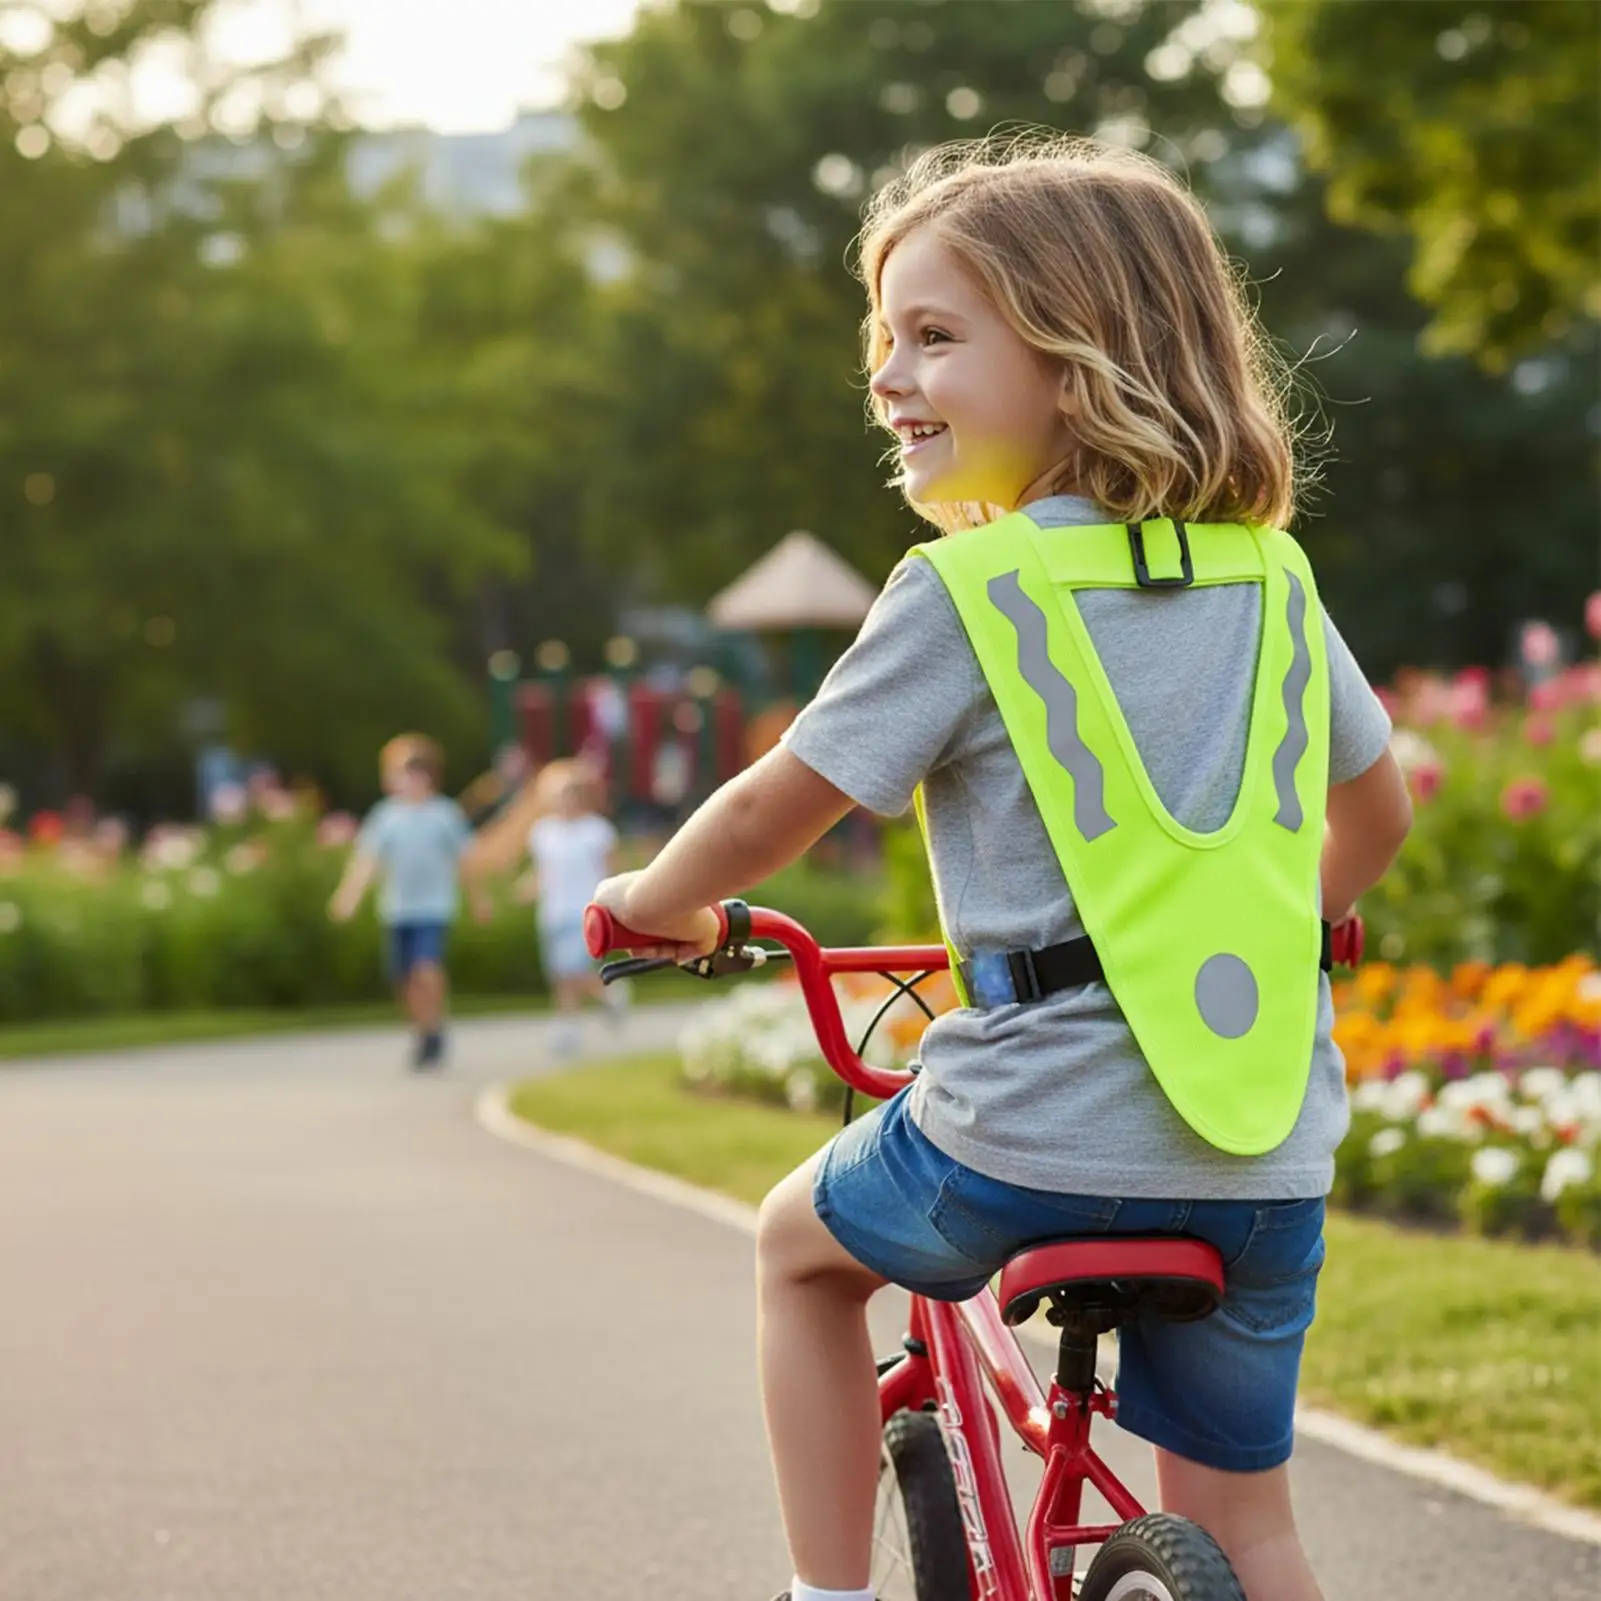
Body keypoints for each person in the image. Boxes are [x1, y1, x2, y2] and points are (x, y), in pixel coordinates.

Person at [588, 136, 1413, 1601]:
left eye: (935, 336)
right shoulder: (1275, 582)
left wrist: (655, 904)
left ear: (1080, 355)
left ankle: (823, 1597)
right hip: (1262, 1142)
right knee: (1248, 1524)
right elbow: (1377, 815)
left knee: (796, 1251)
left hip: (1021, 1138)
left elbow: (775, 806)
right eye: (883, 343)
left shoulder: (971, 591)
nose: (888, 378)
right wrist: (1290, 926)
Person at [329, 735, 489, 1069]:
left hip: (433, 907)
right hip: (398, 908)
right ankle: (423, 1030)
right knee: (403, 978)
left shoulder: (444, 815)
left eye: (416, 773)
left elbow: (464, 862)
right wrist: (349, 897)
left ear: (430, 776)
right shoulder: (386, 817)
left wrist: (479, 900)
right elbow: (368, 862)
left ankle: (435, 1026)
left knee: (426, 969)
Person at [521, 758, 626, 1054]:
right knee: (559, 972)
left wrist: (613, 905)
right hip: (553, 911)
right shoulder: (543, 832)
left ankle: (590, 1008)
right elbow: (544, 872)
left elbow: (610, 870)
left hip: (585, 910)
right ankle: (588, 1010)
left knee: (573, 967)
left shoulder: (597, 831)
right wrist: (528, 889)